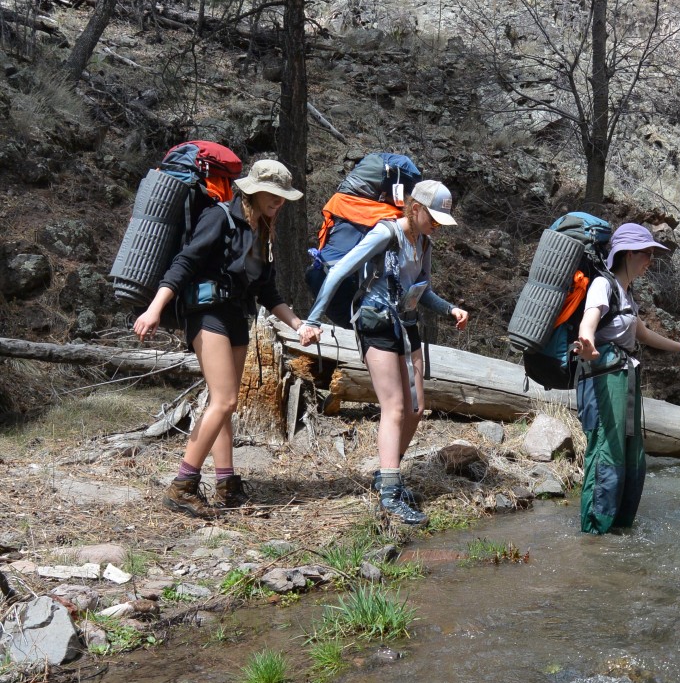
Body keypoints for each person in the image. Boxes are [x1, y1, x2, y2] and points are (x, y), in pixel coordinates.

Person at [134, 158, 308, 517]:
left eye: (283, 197)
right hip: (206, 313)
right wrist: (154, 309)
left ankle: (227, 485)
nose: (279, 202)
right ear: (254, 190)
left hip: (235, 317)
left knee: (222, 402)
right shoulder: (219, 217)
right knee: (225, 401)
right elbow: (184, 263)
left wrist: (299, 325)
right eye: (273, 195)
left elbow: (268, 292)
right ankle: (182, 486)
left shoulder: (262, 232)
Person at [298, 180, 468, 526]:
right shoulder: (385, 234)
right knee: (394, 407)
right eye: (432, 217)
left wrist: (450, 309)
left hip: (406, 324)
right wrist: (313, 318)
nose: (436, 225)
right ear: (415, 208)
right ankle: (389, 495)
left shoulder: (424, 242)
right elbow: (341, 270)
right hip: (376, 324)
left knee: (417, 408)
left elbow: (423, 291)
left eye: (440, 220)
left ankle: (387, 473)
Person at [574, 222, 680, 534]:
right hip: (603, 377)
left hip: (623, 376)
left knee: (631, 454)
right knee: (608, 448)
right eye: (647, 254)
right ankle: (594, 531)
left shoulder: (626, 294)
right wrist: (587, 342)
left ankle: (618, 526)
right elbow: (589, 320)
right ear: (629, 253)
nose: (650, 261)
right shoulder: (602, 285)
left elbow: (641, 333)